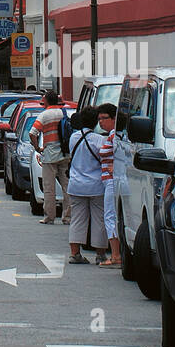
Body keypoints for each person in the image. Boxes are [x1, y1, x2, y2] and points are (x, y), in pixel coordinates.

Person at [66, 106, 107, 265]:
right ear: (96, 121)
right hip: (96, 185)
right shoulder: (99, 140)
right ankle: (100, 255)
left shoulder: (73, 138)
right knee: (99, 220)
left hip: (76, 184)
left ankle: (75, 254)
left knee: (77, 219)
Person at [30, 89, 71, 227]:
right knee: (67, 187)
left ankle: (49, 216)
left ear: (47, 100)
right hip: (65, 154)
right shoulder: (63, 113)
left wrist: (37, 148)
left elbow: (32, 133)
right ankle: (67, 217)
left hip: (49, 154)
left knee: (49, 188)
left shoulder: (44, 115)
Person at [96, 104, 121, 266]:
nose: (100, 122)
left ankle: (115, 255)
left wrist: (116, 166)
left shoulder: (115, 136)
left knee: (110, 216)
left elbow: (123, 155)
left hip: (112, 181)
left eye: (104, 118)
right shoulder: (112, 135)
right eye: (99, 119)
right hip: (109, 180)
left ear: (114, 118)